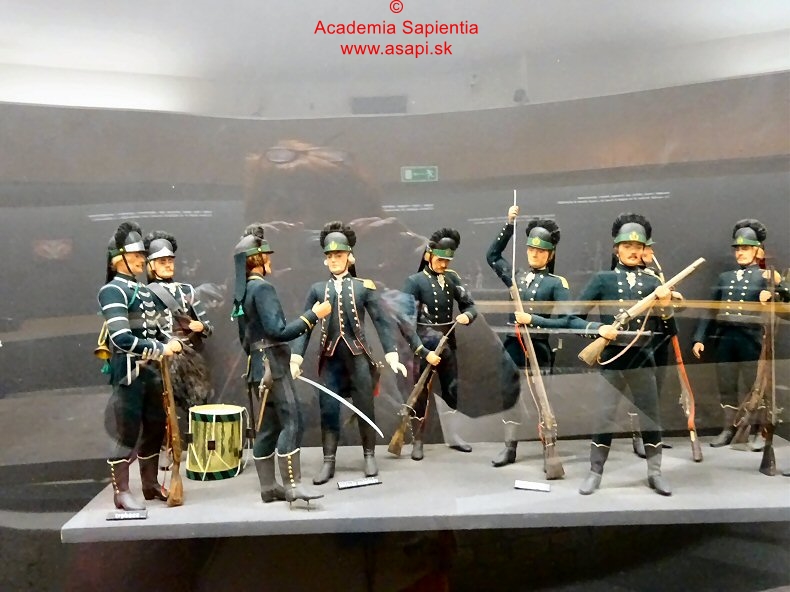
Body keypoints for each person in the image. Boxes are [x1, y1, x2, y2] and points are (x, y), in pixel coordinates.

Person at [291, 221, 405, 483]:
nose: (334, 260)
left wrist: (391, 354)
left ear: (350, 256)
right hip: (330, 360)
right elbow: (305, 325)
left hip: (358, 358)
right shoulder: (317, 289)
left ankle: (369, 456)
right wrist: (296, 357)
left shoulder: (364, 287)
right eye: (330, 255)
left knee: (365, 405)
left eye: (339, 255)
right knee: (328, 409)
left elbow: (382, 321)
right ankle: (328, 461)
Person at [573, 213, 674, 496]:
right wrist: (598, 330)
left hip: (643, 359)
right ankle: (595, 472)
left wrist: (666, 305)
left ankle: (655, 472)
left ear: (644, 250)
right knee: (604, 416)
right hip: (611, 359)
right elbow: (573, 317)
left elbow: (669, 329)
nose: (632, 250)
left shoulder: (653, 282)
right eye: (627, 245)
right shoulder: (602, 280)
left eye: (638, 246)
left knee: (650, 416)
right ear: (616, 248)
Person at [231, 225, 332, 504]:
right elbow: (278, 331)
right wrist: (313, 315)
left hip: (257, 367)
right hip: (273, 367)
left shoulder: (243, 291)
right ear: (258, 259)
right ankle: (292, 486)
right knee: (292, 421)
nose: (270, 261)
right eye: (267, 256)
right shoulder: (262, 288)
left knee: (269, 427)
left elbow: (245, 340)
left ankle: (268, 487)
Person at [98, 222, 182, 510]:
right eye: (135, 255)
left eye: (141, 255)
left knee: (155, 427)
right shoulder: (112, 291)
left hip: (152, 373)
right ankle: (121, 492)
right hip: (129, 372)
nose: (141, 260)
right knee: (127, 434)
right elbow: (121, 338)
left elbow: (155, 330)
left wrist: (170, 341)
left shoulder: (143, 291)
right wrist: (160, 348)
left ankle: (149, 484)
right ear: (117, 258)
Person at [692, 219, 789, 448]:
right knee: (726, 384)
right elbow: (710, 310)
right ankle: (729, 428)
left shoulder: (766, 276)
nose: (740, 253)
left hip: (751, 338)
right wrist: (699, 338)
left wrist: (776, 288)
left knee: (756, 385)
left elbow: (786, 297)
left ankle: (760, 431)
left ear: (757, 250)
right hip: (725, 338)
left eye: (745, 248)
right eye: (738, 249)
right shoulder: (725, 278)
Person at [403, 228, 477, 457]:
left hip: (447, 343)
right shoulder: (414, 282)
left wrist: (468, 316)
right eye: (440, 260)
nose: (444, 265)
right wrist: (422, 351)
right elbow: (406, 323)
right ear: (428, 255)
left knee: (451, 390)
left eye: (447, 261)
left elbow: (470, 305)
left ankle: (452, 435)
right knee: (420, 394)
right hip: (424, 345)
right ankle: (418, 440)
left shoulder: (453, 279)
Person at [143, 231, 214, 412]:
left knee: (198, 404)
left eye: (170, 261)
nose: (168, 265)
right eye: (162, 261)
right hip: (163, 358)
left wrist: (201, 327)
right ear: (151, 264)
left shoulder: (187, 290)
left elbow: (208, 327)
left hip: (192, 357)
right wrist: (167, 343)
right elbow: (148, 330)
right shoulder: (146, 293)